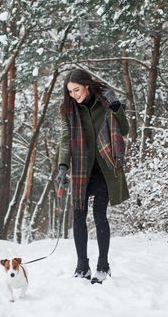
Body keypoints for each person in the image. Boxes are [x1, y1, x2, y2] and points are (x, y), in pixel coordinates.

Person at [56, 68, 129, 284]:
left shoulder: (106, 102)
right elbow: (65, 139)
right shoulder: (68, 110)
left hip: (105, 168)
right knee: (78, 215)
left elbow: (124, 130)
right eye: (70, 91)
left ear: (86, 86)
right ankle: (82, 266)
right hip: (81, 168)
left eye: (76, 90)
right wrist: (62, 166)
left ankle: (103, 266)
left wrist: (116, 108)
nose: (73, 95)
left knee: (99, 214)